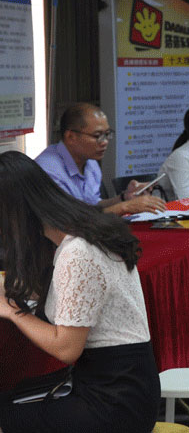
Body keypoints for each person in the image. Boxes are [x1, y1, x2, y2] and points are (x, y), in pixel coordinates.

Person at [0, 151, 161, 433]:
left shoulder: (77, 252)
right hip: (118, 384)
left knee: (7, 415)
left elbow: (66, 348)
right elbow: (62, 294)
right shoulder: (80, 233)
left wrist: (12, 311)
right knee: (10, 399)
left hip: (116, 402)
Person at [35, 103, 165, 216]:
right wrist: (124, 207)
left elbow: (93, 206)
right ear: (70, 137)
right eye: (97, 136)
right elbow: (70, 221)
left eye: (107, 134)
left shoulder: (90, 163)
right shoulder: (48, 170)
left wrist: (124, 198)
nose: (104, 142)